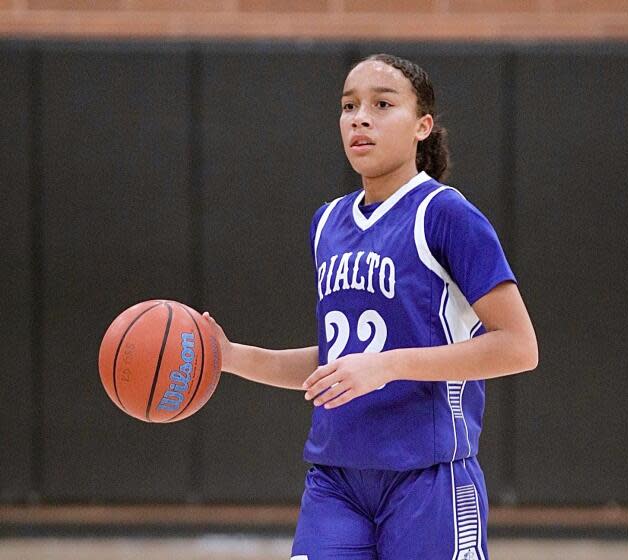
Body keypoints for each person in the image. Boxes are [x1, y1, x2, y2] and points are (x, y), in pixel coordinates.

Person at [204, 53, 538, 560]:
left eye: (382, 104)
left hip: (427, 479)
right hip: (335, 479)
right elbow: (339, 364)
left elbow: (518, 347)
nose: (360, 117)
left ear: (422, 126)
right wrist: (228, 356)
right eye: (348, 105)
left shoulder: (444, 215)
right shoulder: (327, 223)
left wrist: (387, 366)